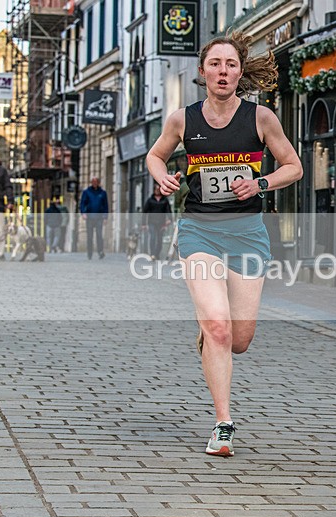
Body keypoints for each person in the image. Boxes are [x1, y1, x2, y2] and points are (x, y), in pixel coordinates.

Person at [145, 30, 302, 457]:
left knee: (239, 338)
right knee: (218, 325)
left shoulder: (261, 118)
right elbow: (155, 155)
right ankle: (223, 423)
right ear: (203, 72)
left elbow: (294, 166)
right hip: (199, 229)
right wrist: (162, 175)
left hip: (248, 232)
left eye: (231, 64)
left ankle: (212, 333)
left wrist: (260, 183)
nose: (223, 71)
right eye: (215, 64)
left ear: (239, 73)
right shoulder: (183, 119)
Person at [80, 177, 109, 259]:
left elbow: (105, 206)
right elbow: (82, 203)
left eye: (96, 182)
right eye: (93, 182)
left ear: (98, 183)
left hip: (99, 217)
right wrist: (83, 213)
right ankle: (89, 253)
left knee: (99, 235)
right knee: (90, 236)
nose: (95, 183)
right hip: (89, 217)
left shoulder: (102, 193)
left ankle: (100, 251)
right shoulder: (87, 192)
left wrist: (105, 217)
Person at [142, 183, 172, 260]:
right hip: (152, 222)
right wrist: (143, 224)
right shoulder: (150, 200)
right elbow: (145, 212)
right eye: (156, 189)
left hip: (161, 223)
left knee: (159, 239)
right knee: (152, 237)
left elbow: (168, 211)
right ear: (154, 190)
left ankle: (156, 254)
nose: (157, 191)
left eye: (159, 189)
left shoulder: (165, 200)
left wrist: (169, 219)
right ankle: (152, 254)